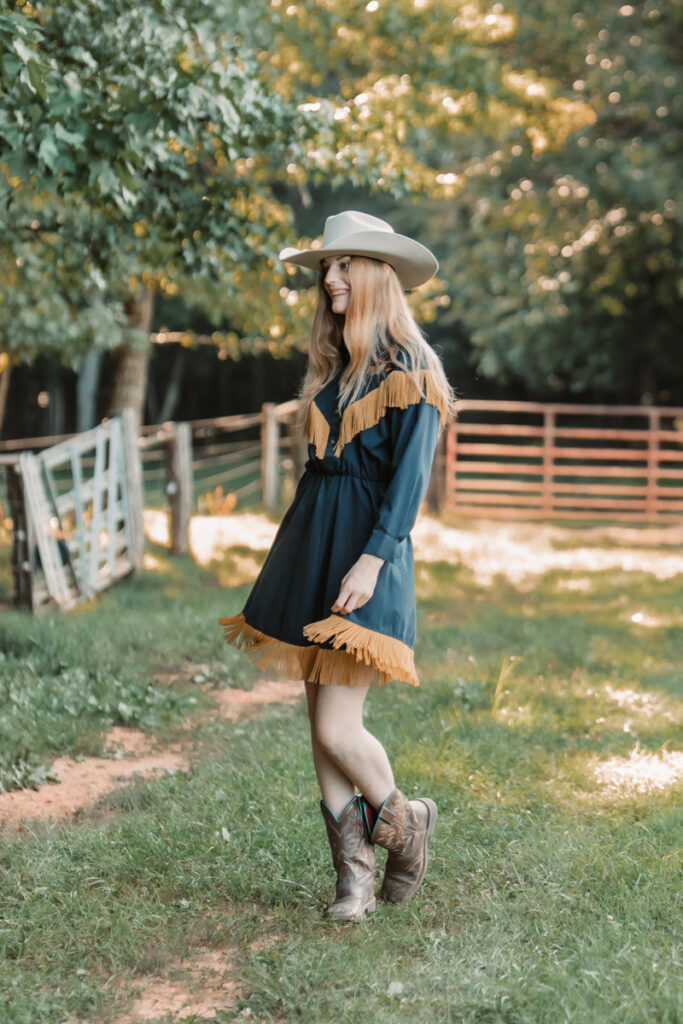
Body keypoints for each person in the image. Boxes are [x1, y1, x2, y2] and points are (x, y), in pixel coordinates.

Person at [220, 210, 455, 920]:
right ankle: (352, 878)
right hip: (310, 544)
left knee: (336, 728)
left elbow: (408, 483)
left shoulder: (412, 370)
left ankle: (406, 823)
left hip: (363, 553)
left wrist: (372, 560)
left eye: (344, 264)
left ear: (379, 274)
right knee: (315, 723)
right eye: (326, 266)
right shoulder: (339, 368)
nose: (329, 278)